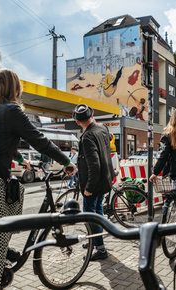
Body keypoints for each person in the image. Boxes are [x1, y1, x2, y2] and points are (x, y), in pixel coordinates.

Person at [0, 68, 76, 289]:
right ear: (14, 87)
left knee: (16, 191)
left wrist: (21, 159)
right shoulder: (12, 110)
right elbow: (39, 141)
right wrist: (67, 162)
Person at [73, 104, 115, 261]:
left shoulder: (88, 136)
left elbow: (94, 164)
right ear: (92, 116)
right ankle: (95, 240)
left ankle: (99, 248)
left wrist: (89, 187)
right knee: (98, 212)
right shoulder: (102, 128)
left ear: (77, 122)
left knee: (90, 215)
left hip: (94, 183)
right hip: (105, 180)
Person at [150, 107, 176, 184]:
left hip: (173, 174)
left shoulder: (167, 135)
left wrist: (155, 172)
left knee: (173, 195)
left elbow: (164, 155)